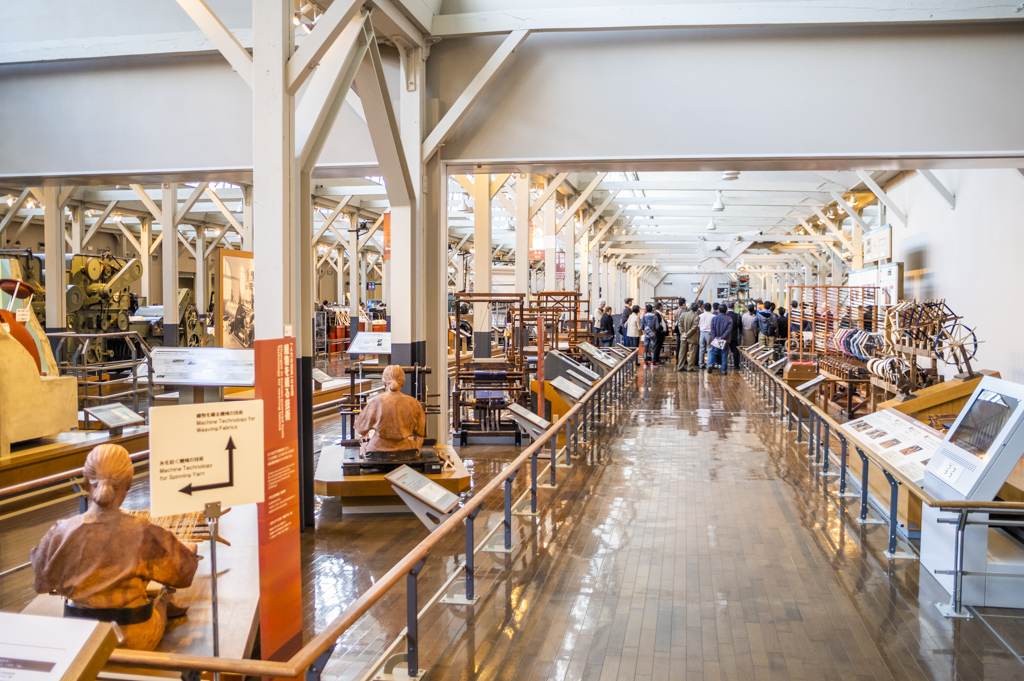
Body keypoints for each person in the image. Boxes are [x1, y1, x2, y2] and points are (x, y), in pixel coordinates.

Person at [31, 444, 199, 651]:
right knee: (162, 601)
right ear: (128, 484)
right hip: (132, 637)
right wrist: (189, 549)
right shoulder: (144, 531)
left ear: (85, 482)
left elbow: (41, 584)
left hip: (77, 635)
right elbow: (183, 577)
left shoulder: (61, 531)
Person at [354, 365, 426, 454]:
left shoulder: (376, 402)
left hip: (377, 449)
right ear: (402, 382)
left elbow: (360, 429)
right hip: (404, 450)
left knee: (363, 446)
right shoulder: (414, 403)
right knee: (417, 443)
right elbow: (420, 432)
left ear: (384, 382)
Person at [707, 305, 733, 375]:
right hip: (725, 340)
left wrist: (716, 337)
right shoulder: (729, 319)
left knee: (713, 353)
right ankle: (724, 370)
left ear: (718, 310)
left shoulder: (714, 318)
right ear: (726, 310)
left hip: (716, 339)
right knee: (724, 355)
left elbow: (712, 329)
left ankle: (711, 364)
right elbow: (729, 330)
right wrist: (722, 337)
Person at [675, 302, 700, 372]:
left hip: (683, 337)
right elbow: (694, 327)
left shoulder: (683, 314)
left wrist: (683, 333)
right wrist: (688, 334)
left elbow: (679, 324)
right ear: (697, 309)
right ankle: (690, 367)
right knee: (692, 352)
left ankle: (680, 366)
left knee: (682, 352)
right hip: (692, 337)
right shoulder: (696, 316)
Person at [697, 302, 714, 368]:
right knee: (709, 349)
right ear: (711, 308)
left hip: (702, 333)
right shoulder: (713, 316)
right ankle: (709, 364)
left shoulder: (700, 316)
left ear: (703, 308)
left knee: (701, 349)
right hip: (710, 333)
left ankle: (701, 364)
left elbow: (698, 325)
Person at [727, 302, 742, 369]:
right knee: (735, 350)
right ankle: (736, 364)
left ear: (727, 307)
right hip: (734, 336)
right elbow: (740, 326)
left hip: (726, 336)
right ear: (734, 307)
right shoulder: (737, 315)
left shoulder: (726, 315)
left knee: (725, 350)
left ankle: (725, 364)